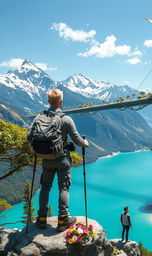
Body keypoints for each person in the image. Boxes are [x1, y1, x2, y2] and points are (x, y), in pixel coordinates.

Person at [27, 89, 89, 232]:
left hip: (46, 160)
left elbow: (29, 137)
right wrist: (85, 144)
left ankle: (41, 218)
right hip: (62, 160)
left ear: (49, 101)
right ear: (61, 102)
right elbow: (77, 140)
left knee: (45, 187)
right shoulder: (66, 119)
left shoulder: (38, 117)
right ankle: (63, 219)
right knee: (64, 188)